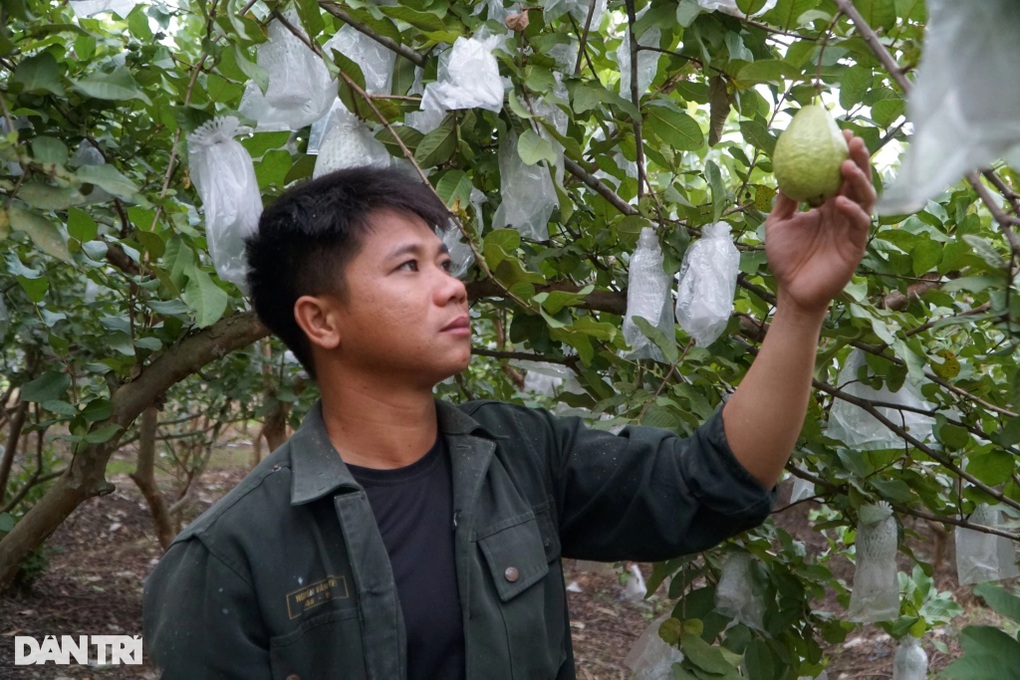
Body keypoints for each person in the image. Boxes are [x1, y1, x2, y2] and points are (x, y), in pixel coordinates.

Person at [143, 132, 875, 679]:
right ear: (321, 321)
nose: (453, 286)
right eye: (408, 267)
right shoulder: (228, 557)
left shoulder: (519, 456)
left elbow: (713, 482)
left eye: (444, 262)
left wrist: (800, 307)